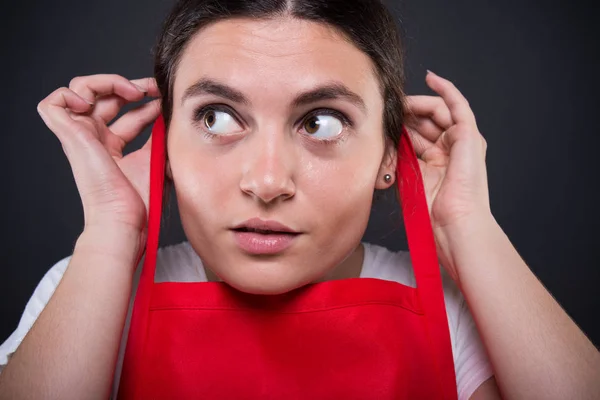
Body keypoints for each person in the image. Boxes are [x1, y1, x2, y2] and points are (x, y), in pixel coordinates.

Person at [1, 0, 599, 399]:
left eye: (321, 123)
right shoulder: (90, 289)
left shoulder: (454, 315)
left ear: (390, 157)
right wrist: (109, 231)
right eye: (215, 116)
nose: (266, 182)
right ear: (165, 147)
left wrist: (469, 224)